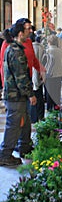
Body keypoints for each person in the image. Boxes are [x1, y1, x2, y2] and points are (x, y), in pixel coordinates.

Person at [0, 23, 37, 166]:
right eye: (28, 28)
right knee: (14, 124)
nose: (31, 31)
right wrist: (30, 94)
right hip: (15, 95)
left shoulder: (17, 48)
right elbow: (20, 76)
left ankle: (24, 146)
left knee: (25, 120)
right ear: (20, 33)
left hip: (18, 95)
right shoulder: (15, 51)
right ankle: (5, 154)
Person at [45, 35, 62, 111]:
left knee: (50, 94)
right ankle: (57, 108)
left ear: (49, 42)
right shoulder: (59, 51)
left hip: (50, 75)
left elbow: (46, 63)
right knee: (57, 93)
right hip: (59, 74)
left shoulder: (48, 51)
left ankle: (50, 109)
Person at [31, 35, 45, 123]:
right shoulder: (42, 48)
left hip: (33, 73)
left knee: (33, 95)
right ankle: (41, 115)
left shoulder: (30, 48)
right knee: (39, 95)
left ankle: (34, 117)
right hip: (40, 73)